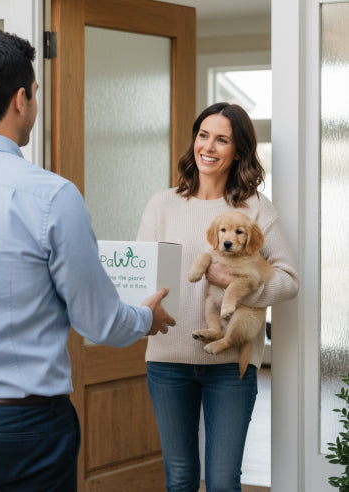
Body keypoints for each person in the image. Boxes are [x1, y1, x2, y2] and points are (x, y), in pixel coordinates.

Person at [0, 31, 176, 492]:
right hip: (25, 430)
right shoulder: (51, 196)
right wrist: (146, 318)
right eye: (36, 93)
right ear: (22, 98)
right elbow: (98, 322)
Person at [137, 102, 299, 492]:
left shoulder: (256, 208)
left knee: (225, 481)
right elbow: (143, 272)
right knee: (179, 480)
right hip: (168, 362)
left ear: (238, 151)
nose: (208, 146)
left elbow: (289, 280)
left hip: (230, 366)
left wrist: (234, 284)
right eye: (203, 135)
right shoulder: (163, 203)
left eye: (222, 139)